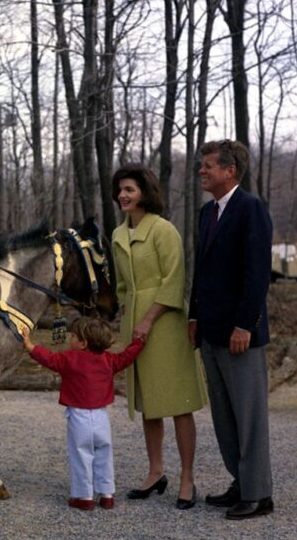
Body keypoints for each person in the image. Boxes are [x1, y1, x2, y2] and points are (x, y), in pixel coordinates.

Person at [110, 163, 207, 510]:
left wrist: (149, 320)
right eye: (121, 189)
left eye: (130, 189)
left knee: (177, 402)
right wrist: (127, 318)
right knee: (149, 403)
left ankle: (187, 478)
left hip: (164, 324)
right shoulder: (118, 235)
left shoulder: (164, 230)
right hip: (134, 323)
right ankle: (155, 472)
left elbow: (174, 281)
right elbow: (122, 287)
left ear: (144, 193)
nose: (123, 195)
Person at [188, 140, 274, 520]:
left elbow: (257, 275)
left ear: (230, 171)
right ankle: (240, 483)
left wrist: (245, 325)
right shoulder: (208, 212)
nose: (202, 171)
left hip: (241, 335)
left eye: (208, 166)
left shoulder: (250, 209)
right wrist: (194, 318)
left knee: (249, 416)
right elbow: (202, 272)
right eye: (202, 166)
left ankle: (259, 496)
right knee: (224, 416)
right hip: (210, 331)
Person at [22, 317, 145, 511]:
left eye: (73, 336)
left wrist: (30, 345)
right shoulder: (109, 360)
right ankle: (107, 494)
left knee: (81, 455)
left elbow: (48, 358)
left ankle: (83, 496)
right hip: (101, 416)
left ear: (83, 343)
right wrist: (139, 342)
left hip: (79, 416)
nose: (70, 338)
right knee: (104, 453)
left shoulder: (69, 358)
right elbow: (126, 357)